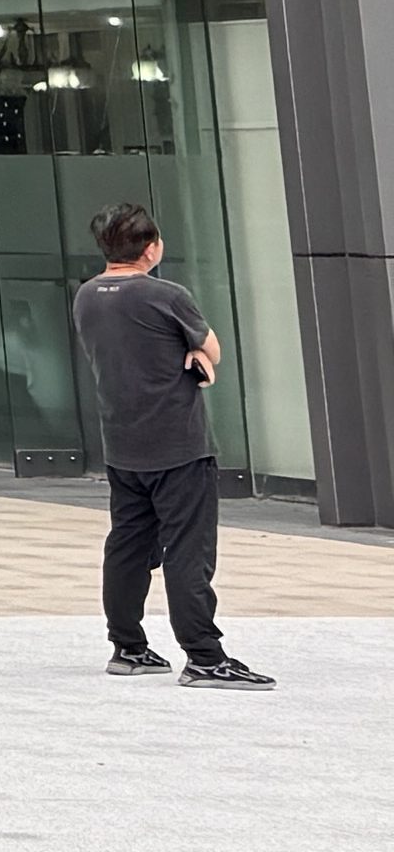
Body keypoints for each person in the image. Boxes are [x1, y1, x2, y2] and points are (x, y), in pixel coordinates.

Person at [75, 204, 268, 687]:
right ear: (151, 248)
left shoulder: (87, 297)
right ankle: (203, 655)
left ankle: (128, 647)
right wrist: (197, 355)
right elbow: (214, 348)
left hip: (121, 443)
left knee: (127, 544)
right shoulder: (166, 295)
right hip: (179, 445)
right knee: (188, 548)